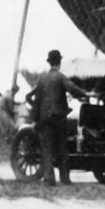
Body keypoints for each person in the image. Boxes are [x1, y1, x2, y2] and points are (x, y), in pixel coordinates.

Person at [29, 50, 88, 186]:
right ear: (59, 63)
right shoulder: (61, 77)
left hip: (45, 119)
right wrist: (84, 94)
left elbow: (37, 100)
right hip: (59, 118)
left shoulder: (42, 79)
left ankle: (49, 178)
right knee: (62, 147)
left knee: (47, 148)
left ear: (49, 62)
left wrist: (35, 119)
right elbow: (72, 88)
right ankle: (65, 178)